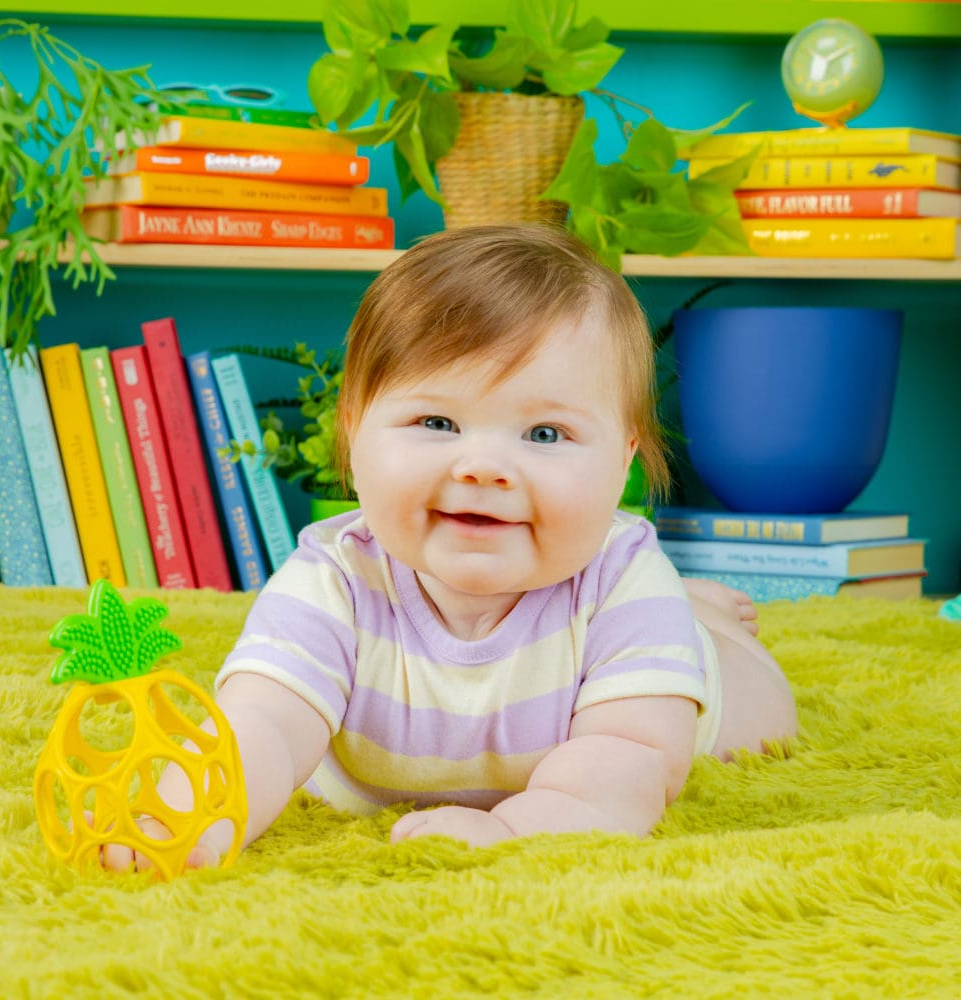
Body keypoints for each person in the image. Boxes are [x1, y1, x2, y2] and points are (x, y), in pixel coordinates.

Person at [103, 223, 797, 870]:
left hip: (663, 676)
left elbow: (631, 758)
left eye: (545, 434)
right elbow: (262, 725)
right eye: (436, 420)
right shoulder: (334, 580)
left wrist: (518, 829)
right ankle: (693, 608)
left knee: (761, 710)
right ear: (353, 434)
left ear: (623, 462)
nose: (483, 467)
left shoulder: (620, 583)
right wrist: (184, 817)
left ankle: (700, 622)